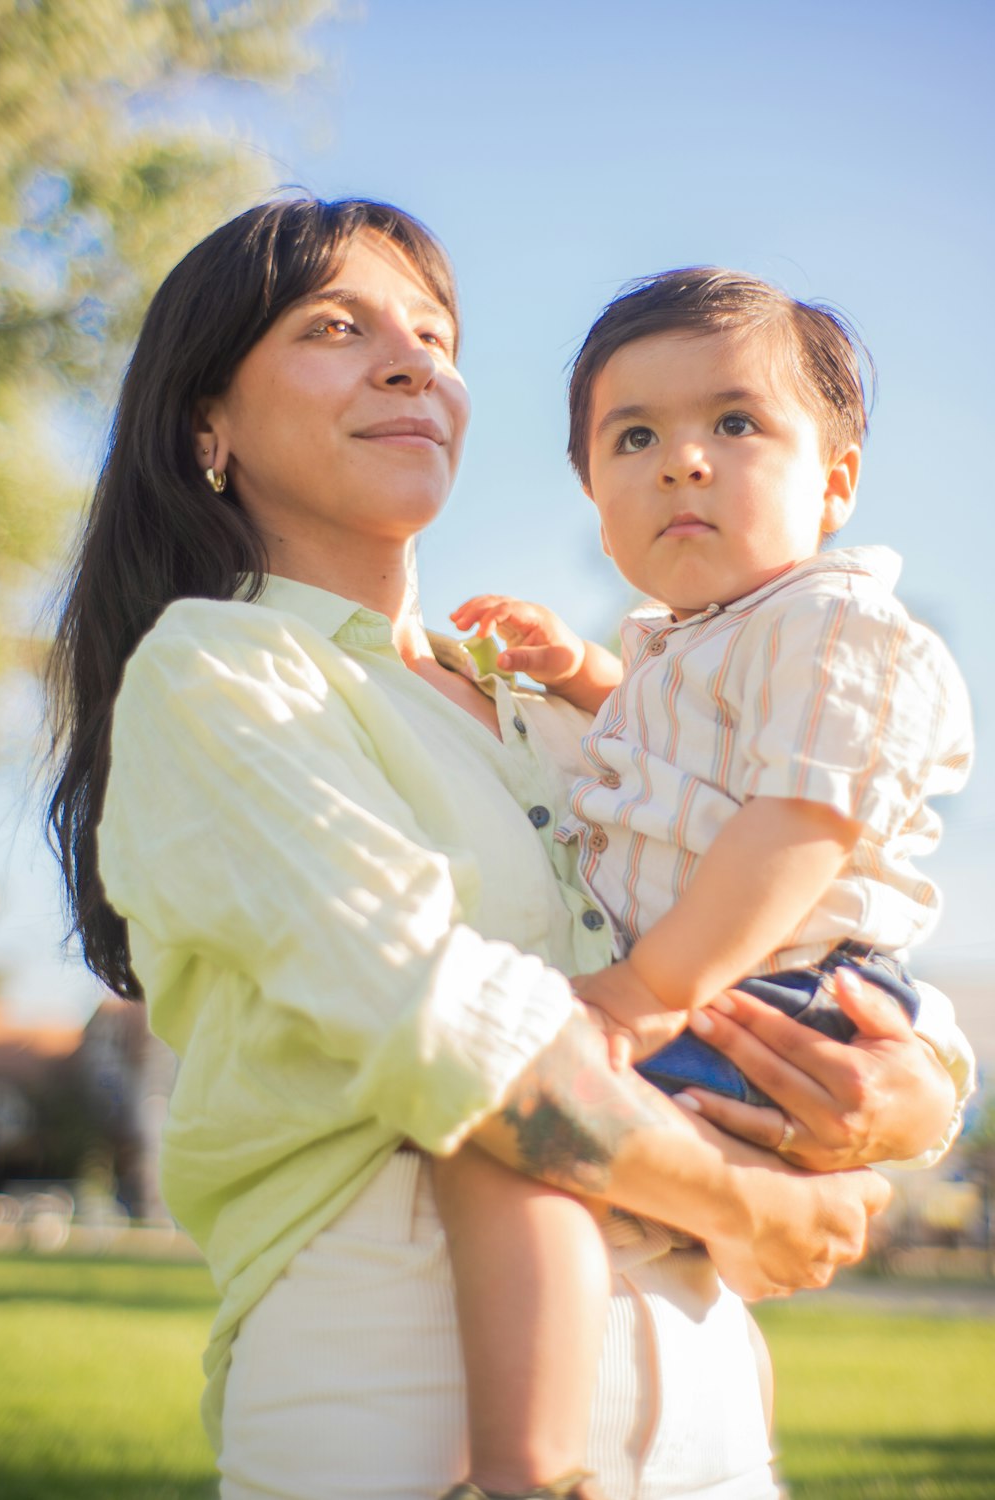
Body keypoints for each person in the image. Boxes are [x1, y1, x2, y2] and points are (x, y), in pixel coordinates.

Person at [44, 202, 972, 1500]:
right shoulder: (225, 676)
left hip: (700, 1420)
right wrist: (753, 1205)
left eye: (434, 333)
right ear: (209, 425)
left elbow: (803, 883)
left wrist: (921, 1085)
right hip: (393, 1412)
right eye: (335, 328)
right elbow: (454, 1033)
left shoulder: (564, 707)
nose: (409, 359)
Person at [444, 267, 974, 1493]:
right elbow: (676, 751)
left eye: (736, 424)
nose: (684, 460)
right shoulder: (699, 642)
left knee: (514, 1135)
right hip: (740, 993)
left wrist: (639, 991)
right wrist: (578, 673)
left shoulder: (833, 628)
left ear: (832, 483)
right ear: (590, 490)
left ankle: (524, 1468)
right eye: (635, 437)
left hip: (773, 991)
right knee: (667, 1252)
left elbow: (794, 826)